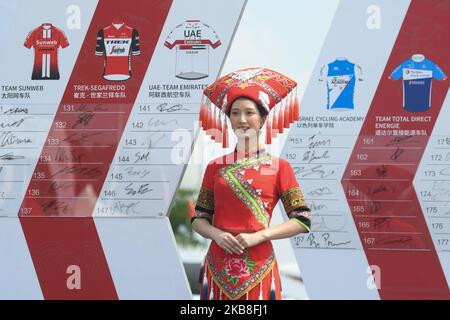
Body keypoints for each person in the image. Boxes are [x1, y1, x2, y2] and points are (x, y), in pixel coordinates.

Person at [191, 68, 311, 300]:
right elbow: (198, 218)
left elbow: (302, 220)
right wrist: (216, 234)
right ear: (229, 119)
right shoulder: (215, 166)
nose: (242, 119)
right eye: (235, 113)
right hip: (217, 264)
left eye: (249, 113)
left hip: (258, 264)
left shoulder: (280, 167)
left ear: (263, 118)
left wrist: (260, 236)